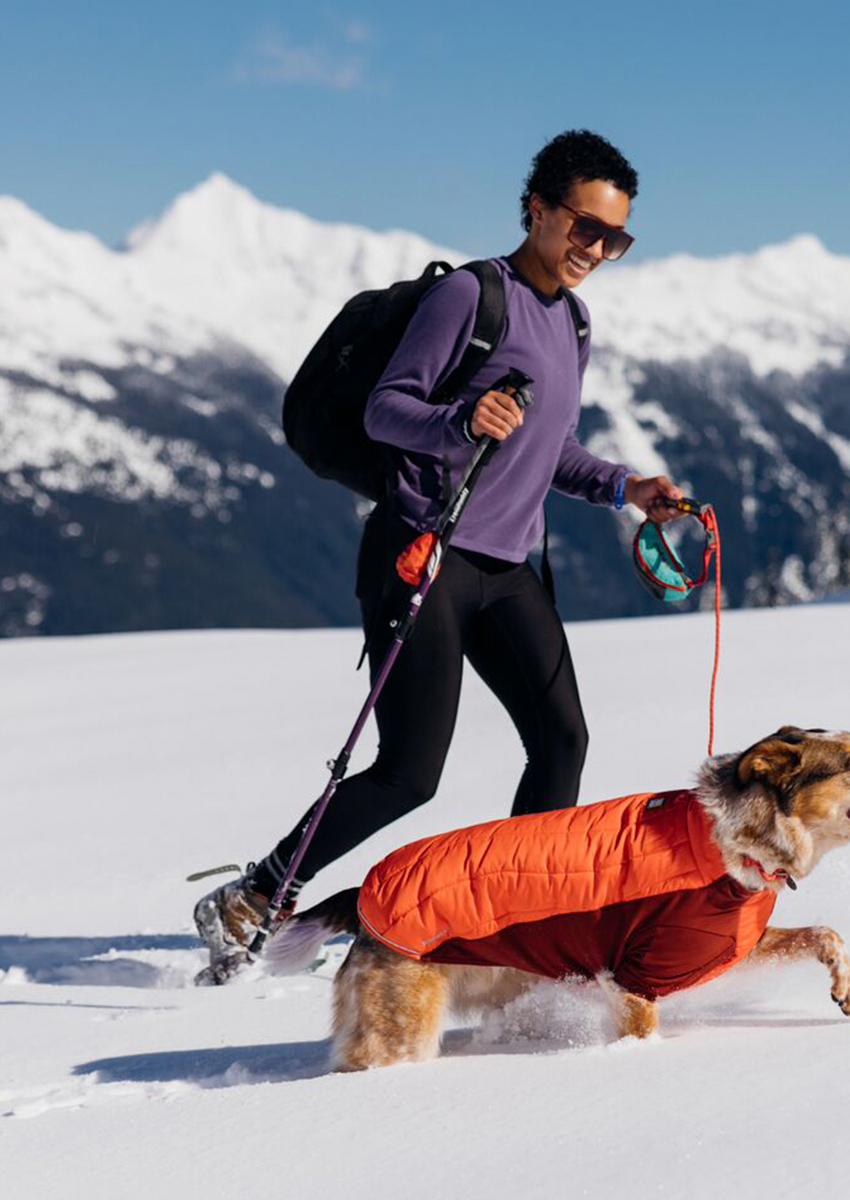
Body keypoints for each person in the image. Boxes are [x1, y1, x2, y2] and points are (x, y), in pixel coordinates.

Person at [194, 129, 684, 978]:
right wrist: (459, 420)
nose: (596, 250)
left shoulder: (573, 321)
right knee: (411, 773)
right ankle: (257, 892)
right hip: (425, 552)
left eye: (614, 238)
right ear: (538, 207)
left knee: (562, 741)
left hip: (507, 569)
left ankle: (519, 921)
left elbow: (550, 448)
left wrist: (624, 488)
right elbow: (388, 411)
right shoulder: (471, 297)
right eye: (584, 227)